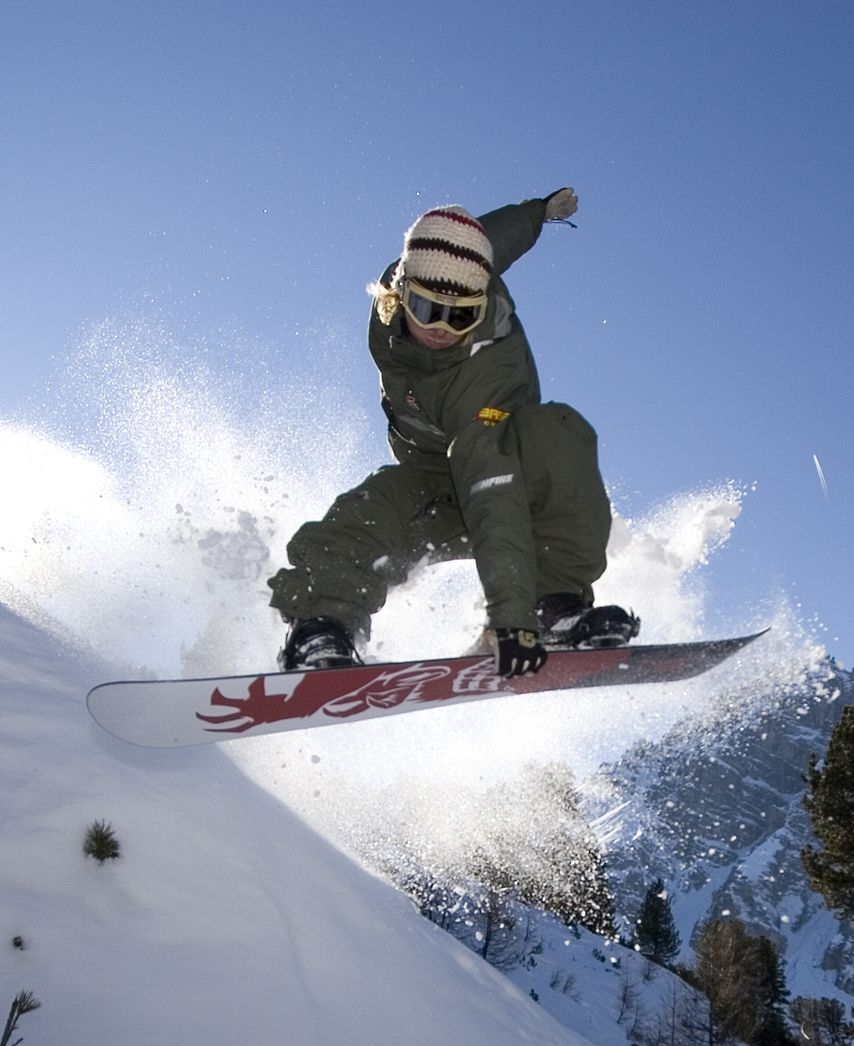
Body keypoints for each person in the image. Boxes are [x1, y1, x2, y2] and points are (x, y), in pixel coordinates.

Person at [267, 190, 638, 679]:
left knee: (557, 434)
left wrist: (511, 621)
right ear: (400, 291)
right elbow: (492, 237)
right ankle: (321, 626)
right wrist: (538, 212)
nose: (441, 327)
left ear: (481, 302)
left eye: (461, 314)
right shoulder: (419, 277)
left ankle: (551, 607)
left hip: (510, 476)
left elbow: (492, 487)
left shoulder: (485, 374)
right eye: (426, 308)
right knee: (371, 508)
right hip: (433, 475)